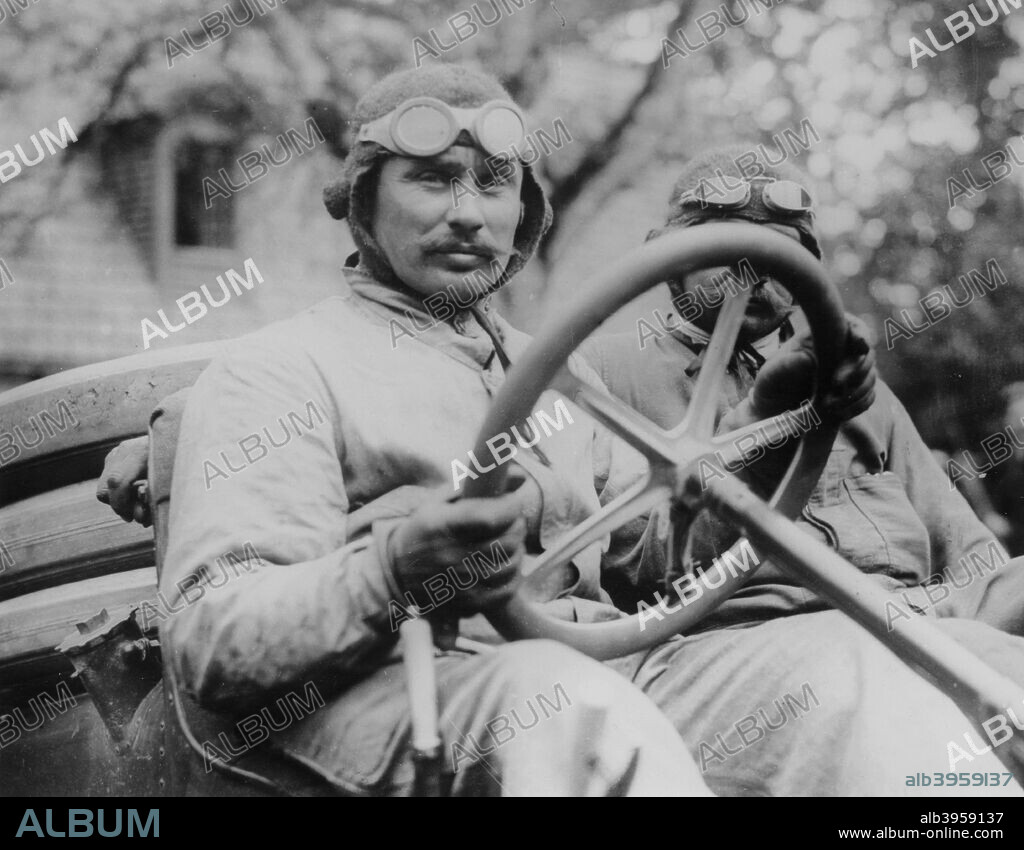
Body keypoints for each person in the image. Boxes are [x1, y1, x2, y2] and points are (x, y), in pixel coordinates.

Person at [100, 64, 713, 797]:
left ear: (524, 210)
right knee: (562, 703)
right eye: (432, 179)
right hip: (397, 696)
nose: (468, 213)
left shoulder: (563, 375)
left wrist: (757, 453)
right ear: (365, 201)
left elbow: (656, 562)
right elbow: (214, 640)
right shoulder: (277, 372)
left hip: (613, 669)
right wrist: (388, 571)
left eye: (495, 182)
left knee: (823, 671)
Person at [580, 145, 1024, 795]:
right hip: (739, 644)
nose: (754, 273)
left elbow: (969, 556)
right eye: (729, 247)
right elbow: (636, 578)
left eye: (780, 255)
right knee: (877, 666)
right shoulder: (599, 380)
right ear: (663, 258)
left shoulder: (861, 392)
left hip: (914, 618)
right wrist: (765, 418)